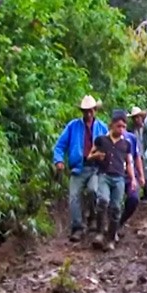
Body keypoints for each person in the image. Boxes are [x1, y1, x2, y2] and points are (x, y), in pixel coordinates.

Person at [53, 95, 108, 242]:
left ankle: (93, 216)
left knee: (93, 191)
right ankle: (77, 227)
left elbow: (109, 148)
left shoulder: (102, 127)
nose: (88, 114)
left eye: (90, 111)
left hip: (96, 168)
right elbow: (60, 145)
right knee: (73, 197)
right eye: (85, 111)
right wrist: (58, 160)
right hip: (78, 167)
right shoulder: (73, 126)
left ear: (95, 110)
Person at [86, 110, 134, 250]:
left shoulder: (126, 144)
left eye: (124, 127)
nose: (121, 129)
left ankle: (111, 238)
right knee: (103, 201)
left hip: (119, 177)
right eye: (118, 126)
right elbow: (89, 156)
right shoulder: (101, 140)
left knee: (116, 208)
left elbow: (129, 162)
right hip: (104, 175)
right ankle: (100, 233)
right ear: (112, 125)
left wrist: (133, 179)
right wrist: (97, 156)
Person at [120, 110, 147, 229]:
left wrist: (141, 175)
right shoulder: (107, 137)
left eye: (123, 124)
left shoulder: (131, 138)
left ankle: (121, 222)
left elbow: (136, 157)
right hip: (115, 173)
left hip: (130, 174)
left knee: (134, 199)